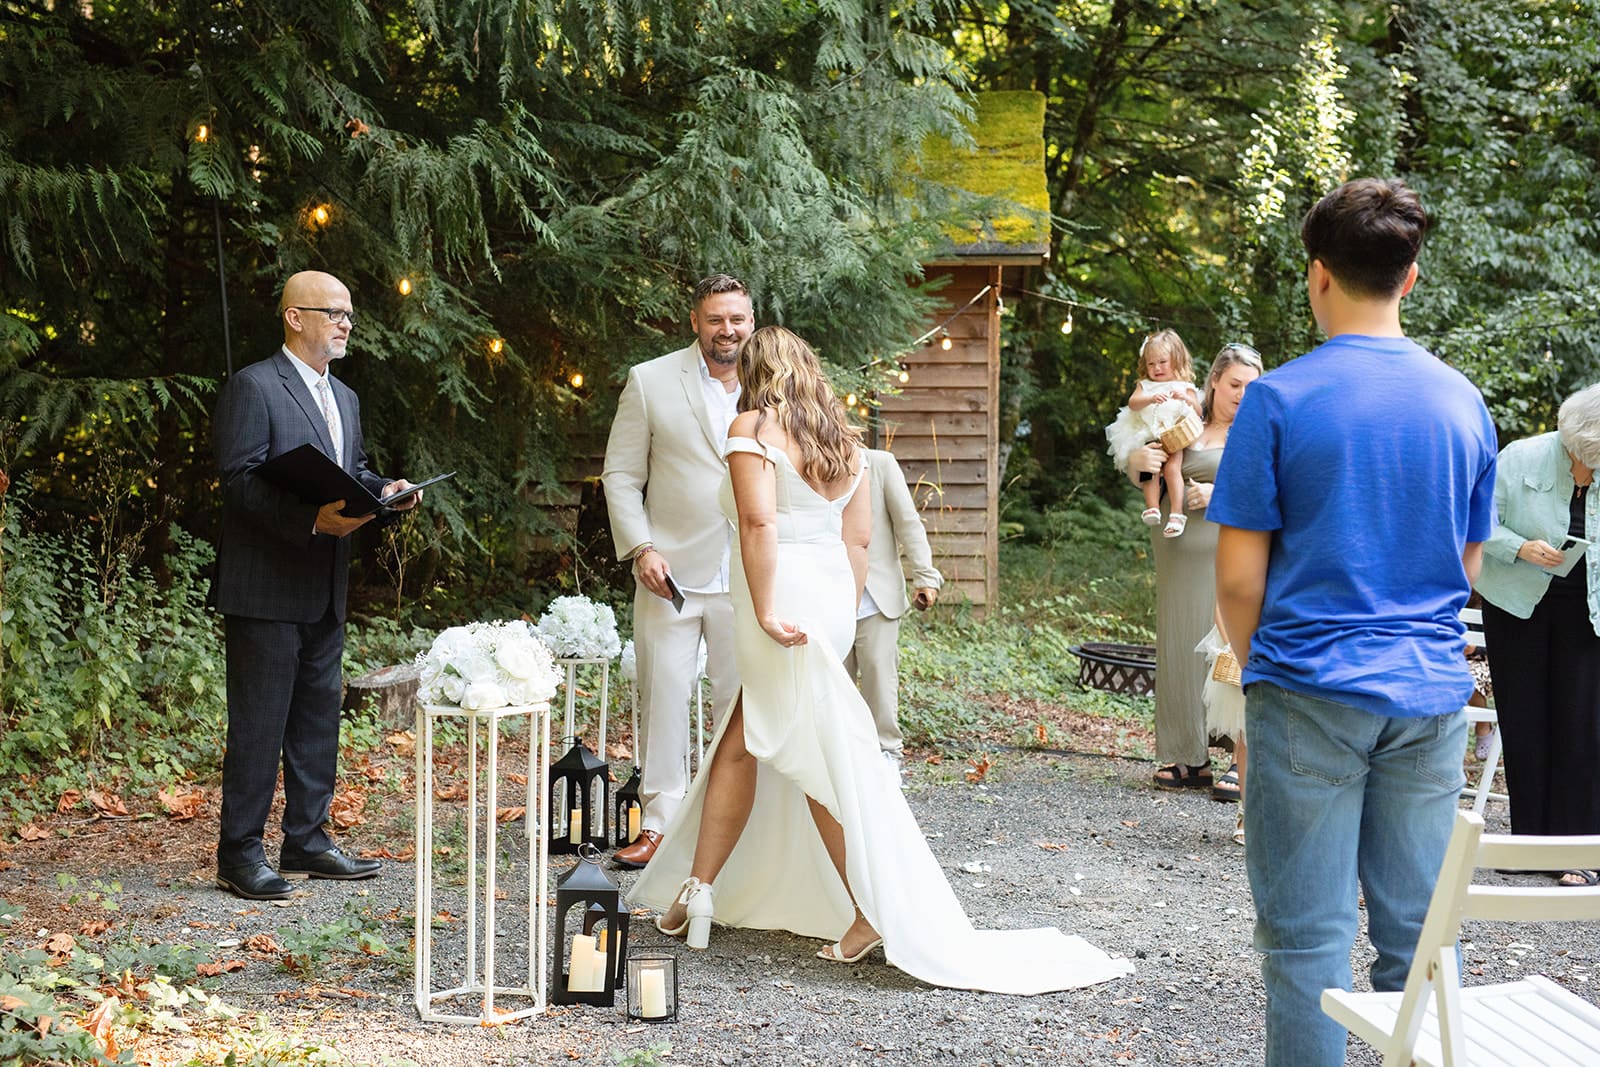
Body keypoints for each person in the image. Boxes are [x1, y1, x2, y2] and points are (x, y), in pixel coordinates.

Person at [631, 326, 1132, 994]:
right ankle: (699, 888)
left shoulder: (751, 423)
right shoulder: (841, 437)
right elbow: (858, 539)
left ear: (755, 372)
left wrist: (767, 608)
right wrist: (834, 615)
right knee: (747, 736)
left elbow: (758, 524)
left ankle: (863, 907)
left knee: (806, 752)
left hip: (777, 593)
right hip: (828, 595)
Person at [1210, 178, 1497, 1067]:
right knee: (1419, 937)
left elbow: (1238, 575)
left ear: (1317, 275)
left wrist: (1266, 665)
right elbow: (1468, 569)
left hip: (1307, 685)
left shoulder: (1278, 400)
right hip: (1428, 696)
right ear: (1410, 278)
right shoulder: (1464, 403)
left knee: (1306, 943)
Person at [211, 270, 422, 901]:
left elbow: (348, 471)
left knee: (315, 721)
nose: (345, 323)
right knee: (258, 725)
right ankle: (239, 853)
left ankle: (306, 839)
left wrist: (383, 491)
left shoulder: (346, 397)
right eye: (333, 313)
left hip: (326, 585)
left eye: (349, 315)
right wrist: (311, 518)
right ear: (294, 317)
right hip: (265, 587)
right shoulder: (254, 386)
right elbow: (240, 481)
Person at [601, 274, 752, 868]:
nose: (727, 330)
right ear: (695, 321)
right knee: (663, 696)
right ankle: (661, 825)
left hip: (748, 575)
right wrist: (641, 548)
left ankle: (732, 829)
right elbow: (620, 476)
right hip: (668, 576)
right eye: (716, 319)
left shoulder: (773, 384)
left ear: (751, 321)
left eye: (737, 319)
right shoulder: (651, 380)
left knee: (741, 706)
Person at [1474, 382, 1600, 885]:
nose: (1585, 470)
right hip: (1517, 605)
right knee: (1524, 719)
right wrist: (1520, 547)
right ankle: (1529, 843)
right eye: (1581, 459)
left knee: (1581, 725)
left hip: (1589, 612)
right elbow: (1476, 520)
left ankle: (1574, 850)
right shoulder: (1520, 457)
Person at [1126, 343, 1263, 797]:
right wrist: (1136, 464)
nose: (1243, 394)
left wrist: (1218, 497)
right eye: (1235, 384)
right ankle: (1189, 756)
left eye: (1251, 386)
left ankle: (1239, 757)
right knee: (1181, 646)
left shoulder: (1259, 437)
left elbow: (1272, 495)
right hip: (1176, 552)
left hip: (1227, 554)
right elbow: (1151, 465)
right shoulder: (1185, 423)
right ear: (1215, 383)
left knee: (1224, 648)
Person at [843, 448, 942, 776]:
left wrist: (926, 576)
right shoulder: (809, 463)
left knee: (878, 681)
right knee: (834, 687)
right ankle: (843, 763)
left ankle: (887, 757)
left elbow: (908, 524)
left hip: (877, 598)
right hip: (831, 597)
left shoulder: (880, 463)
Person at [1105, 330, 1203, 537]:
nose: (1157, 368)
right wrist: (1150, 398)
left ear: (1176, 360)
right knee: (1149, 470)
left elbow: (1199, 411)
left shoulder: (1184, 385)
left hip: (1174, 436)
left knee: (1172, 469)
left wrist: (1186, 398)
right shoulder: (1145, 386)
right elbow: (1133, 403)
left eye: (1162, 362)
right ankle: (1152, 507)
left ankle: (1177, 513)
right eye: (1151, 364)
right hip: (1149, 435)